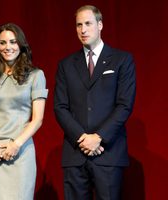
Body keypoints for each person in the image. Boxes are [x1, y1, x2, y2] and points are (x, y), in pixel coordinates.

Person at [54, 5, 136, 200]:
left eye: (88, 23)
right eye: (78, 25)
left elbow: (124, 105)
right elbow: (60, 107)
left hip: (108, 153)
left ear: (100, 25)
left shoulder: (122, 60)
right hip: (75, 153)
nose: (83, 30)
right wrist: (83, 138)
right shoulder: (66, 65)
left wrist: (98, 137)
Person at [0, 23, 48, 200]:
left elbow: (37, 119)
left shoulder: (35, 75)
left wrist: (16, 144)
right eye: (3, 43)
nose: (7, 47)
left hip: (20, 152)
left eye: (13, 42)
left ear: (21, 45)